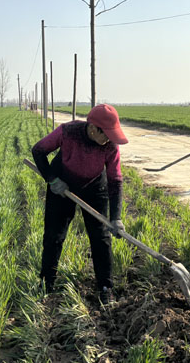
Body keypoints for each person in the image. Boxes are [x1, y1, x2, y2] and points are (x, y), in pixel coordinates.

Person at [31, 104, 128, 305]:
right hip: (62, 185)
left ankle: (105, 287)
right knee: (54, 236)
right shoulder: (68, 132)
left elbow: (115, 180)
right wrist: (51, 179)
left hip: (94, 187)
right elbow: (38, 150)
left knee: (101, 237)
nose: (109, 139)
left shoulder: (110, 146)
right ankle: (46, 283)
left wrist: (116, 217)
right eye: (106, 134)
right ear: (93, 128)